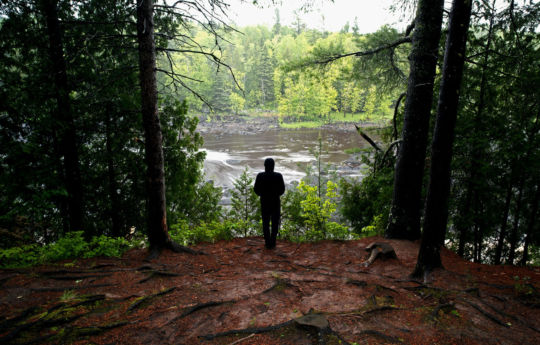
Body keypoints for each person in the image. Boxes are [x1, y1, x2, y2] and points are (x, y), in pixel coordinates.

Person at [254, 158, 285, 249]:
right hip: (275, 202)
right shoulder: (278, 176)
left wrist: (262, 195)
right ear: (273, 166)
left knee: (265, 223)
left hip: (264, 202)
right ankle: (273, 242)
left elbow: (256, 189)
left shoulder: (260, 176)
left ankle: (267, 243)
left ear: (265, 166)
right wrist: (275, 194)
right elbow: (282, 190)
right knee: (275, 223)